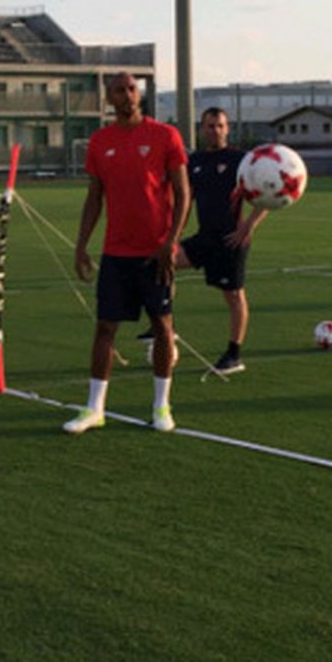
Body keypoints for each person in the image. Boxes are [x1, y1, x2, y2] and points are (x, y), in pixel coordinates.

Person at [65, 72, 190, 434]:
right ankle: (94, 409)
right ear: (109, 99)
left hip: (156, 252)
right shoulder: (99, 142)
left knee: (162, 327)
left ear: (140, 95)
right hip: (116, 253)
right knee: (105, 327)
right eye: (120, 90)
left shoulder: (165, 136)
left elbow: (183, 193)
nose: (128, 95)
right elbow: (94, 197)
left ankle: (161, 406)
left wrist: (171, 242)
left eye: (133, 89)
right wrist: (82, 244)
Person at [139, 107, 268, 375]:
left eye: (220, 126)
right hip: (204, 238)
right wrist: (171, 236)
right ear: (202, 129)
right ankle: (166, 327)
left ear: (228, 128)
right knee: (160, 265)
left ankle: (234, 354)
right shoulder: (194, 161)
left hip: (231, 242)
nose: (215, 131)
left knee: (233, 296)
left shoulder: (240, 160)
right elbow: (185, 202)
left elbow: (267, 192)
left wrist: (248, 226)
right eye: (210, 126)